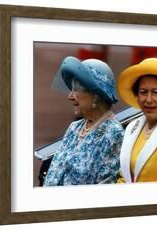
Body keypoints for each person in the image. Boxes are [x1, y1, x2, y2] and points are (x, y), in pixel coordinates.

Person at [43, 56, 124, 186]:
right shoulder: (74, 127)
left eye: (76, 89)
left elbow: (103, 188)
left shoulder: (113, 133)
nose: (70, 96)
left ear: (95, 96)